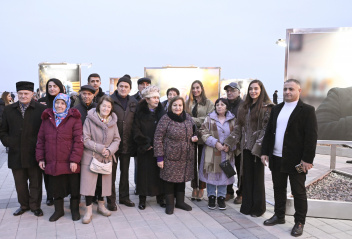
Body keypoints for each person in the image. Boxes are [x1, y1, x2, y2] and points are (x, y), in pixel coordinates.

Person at [261, 79, 318, 237]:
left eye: (291, 89)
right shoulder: (277, 109)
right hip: (277, 158)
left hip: (297, 161)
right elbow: (269, 132)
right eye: (285, 89)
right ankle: (279, 216)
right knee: (278, 189)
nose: (287, 92)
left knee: (298, 192)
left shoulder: (307, 110)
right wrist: (265, 152)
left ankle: (299, 222)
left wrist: (307, 160)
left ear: (299, 91)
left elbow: (311, 137)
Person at [224, 79, 273, 217]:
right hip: (245, 147)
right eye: (251, 89)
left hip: (257, 148)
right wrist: (229, 142)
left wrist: (259, 147)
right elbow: (239, 127)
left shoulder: (267, 107)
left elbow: (266, 129)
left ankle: (258, 208)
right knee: (246, 177)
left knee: (257, 179)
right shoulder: (244, 107)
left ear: (261, 90)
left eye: (256, 89)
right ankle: (247, 206)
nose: (253, 91)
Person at [0, 81, 46, 217]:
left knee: (35, 182)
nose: (23, 96)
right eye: (20, 93)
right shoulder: (9, 110)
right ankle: (24, 205)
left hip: (34, 153)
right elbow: (3, 130)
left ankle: (35, 206)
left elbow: (45, 132)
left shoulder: (40, 110)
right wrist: (9, 143)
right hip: (16, 153)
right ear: (17, 94)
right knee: (20, 183)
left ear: (32, 94)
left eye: (26, 93)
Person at [36, 93, 83, 222]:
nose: (59, 106)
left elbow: (78, 141)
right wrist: (40, 158)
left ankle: (74, 210)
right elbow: (40, 140)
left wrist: (74, 160)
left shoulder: (74, 118)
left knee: (74, 188)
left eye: (63, 103)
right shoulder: (47, 119)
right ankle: (59, 211)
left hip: (70, 161)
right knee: (56, 188)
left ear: (67, 104)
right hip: (53, 161)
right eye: (57, 103)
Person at [154, 96, 198, 215]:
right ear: (170, 106)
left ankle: (180, 202)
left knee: (181, 179)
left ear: (183, 106)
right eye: (175, 105)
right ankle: (170, 204)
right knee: (169, 180)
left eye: (180, 105)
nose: (177, 108)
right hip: (170, 156)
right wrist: (160, 157)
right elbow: (158, 138)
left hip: (186, 156)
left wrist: (195, 137)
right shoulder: (165, 119)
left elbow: (195, 131)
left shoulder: (188, 118)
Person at [80, 95, 121, 224]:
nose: (106, 108)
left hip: (106, 157)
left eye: (109, 106)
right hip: (91, 155)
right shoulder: (89, 120)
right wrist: (100, 148)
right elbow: (85, 139)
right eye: (104, 105)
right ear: (99, 106)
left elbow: (117, 139)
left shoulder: (112, 122)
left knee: (102, 184)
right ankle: (88, 210)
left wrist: (109, 150)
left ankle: (101, 206)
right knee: (89, 184)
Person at [199, 98, 236, 210]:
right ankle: (211, 196)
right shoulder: (209, 119)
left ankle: (221, 197)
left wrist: (229, 145)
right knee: (211, 174)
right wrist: (215, 143)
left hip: (226, 153)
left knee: (224, 175)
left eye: (222, 104)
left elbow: (236, 133)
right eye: (217, 104)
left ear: (227, 107)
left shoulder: (232, 120)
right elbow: (203, 131)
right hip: (212, 152)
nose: (219, 106)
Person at [133, 86, 166, 210]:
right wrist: (145, 143)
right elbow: (135, 129)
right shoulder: (139, 112)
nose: (157, 100)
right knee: (143, 174)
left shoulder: (162, 112)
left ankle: (160, 197)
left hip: (159, 149)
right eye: (154, 98)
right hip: (144, 149)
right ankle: (142, 199)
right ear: (147, 99)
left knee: (159, 173)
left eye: (158, 97)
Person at [109, 74, 138, 210]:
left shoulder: (134, 102)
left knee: (125, 172)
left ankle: (124, 197)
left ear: (130, 88)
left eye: (126, 86)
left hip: (127, 143)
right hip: (113, 143)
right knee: (111, 174)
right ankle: (111, 200)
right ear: (117, 87)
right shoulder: (110, 100)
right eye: (121, 86)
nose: (123, 88)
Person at [38, 78, 65, 206]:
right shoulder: (41, 102)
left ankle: (61, 195)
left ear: (60, 88)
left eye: (55, 86)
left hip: (61, 143)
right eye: (49, 86)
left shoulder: (66, 101)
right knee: (47, 172)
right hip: (47, 141)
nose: (52, 88)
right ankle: (50, 196)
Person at [185, 80, 214, 201]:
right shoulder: (188, 102)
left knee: (202, 163)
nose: (195, 90)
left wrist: (193, 119)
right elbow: (184, 117)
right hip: (190, 136)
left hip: (203, 136)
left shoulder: (208, 103)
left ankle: (202, 188)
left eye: (197, 88)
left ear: (201, 88)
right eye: (193, 88)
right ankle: (194, 187)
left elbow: (209, 118)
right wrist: (195, 120)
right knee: (192, 162)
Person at [223, 82, 243, 204]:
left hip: (239, 143)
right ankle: (228, 191)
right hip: (227, 143)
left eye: (233, 90)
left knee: (241, 170)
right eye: (228, 91)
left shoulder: (243, 105)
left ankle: (241, 193)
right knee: (227, 167)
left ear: (239, 92)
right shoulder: (224, 104)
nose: (230, 93)